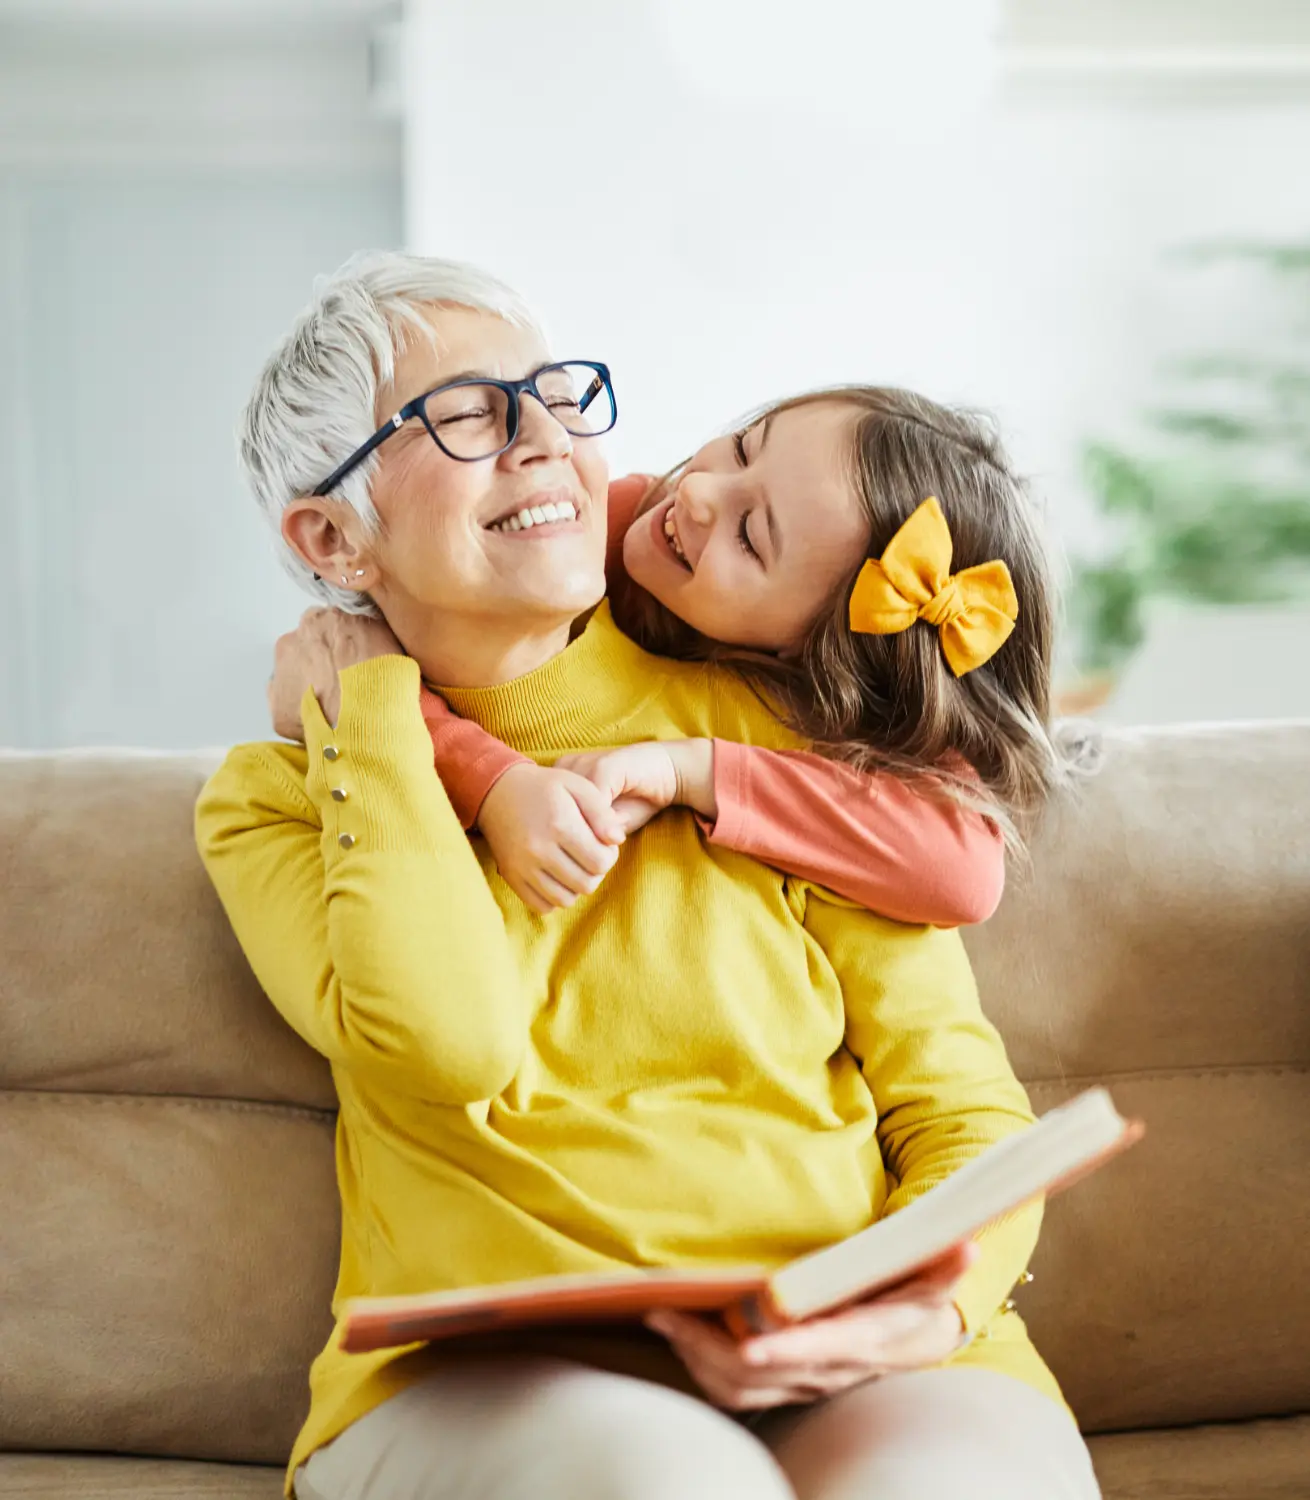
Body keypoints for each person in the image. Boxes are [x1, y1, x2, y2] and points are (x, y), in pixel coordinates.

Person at [198, 251, 1100, 1500]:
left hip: (866, 1355)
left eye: (553, 396)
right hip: (488, 1388)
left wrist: (924, 1313)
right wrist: (373, 713)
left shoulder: (774, 723)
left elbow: (964, 1115)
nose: (540, 441)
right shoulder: (281, 798)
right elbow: (446, 1044)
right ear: (331, 538)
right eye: (464, 414)